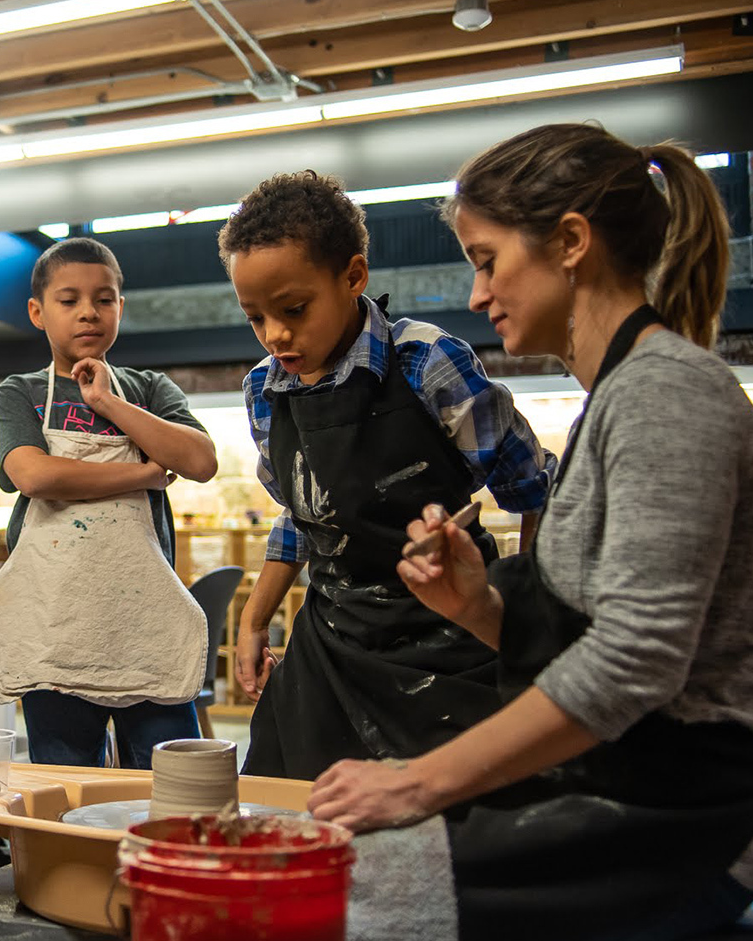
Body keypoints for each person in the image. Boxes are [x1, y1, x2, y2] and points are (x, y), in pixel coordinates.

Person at [308, 124, 753, 941]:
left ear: (571, 243)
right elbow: (602, 639)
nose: (476, 291)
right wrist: (477, 604)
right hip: (626, 785)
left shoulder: (665, 393)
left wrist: (417, 782)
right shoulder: (614, 399)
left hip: (682, 820)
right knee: (326, 863)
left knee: (322, 889)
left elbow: (637, 664)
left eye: (489, 261)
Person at [220, 170, 555, 781]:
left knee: (450, 834)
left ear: (353, 276)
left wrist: (525, 628)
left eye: (293, 309)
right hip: (332, 646)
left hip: (453, 639)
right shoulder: (266, 391)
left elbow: (531, 489)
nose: (275, 335)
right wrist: (252, 619)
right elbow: (306, 516)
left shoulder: (428, 364)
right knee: (289, 815)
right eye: (255, 318)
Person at [0, 237, 218, 768]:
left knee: (168, 787)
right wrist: (144, 472)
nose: (89, 312)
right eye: (69, 300)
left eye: (105, 298)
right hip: (56, 627)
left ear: (121, 306)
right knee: (70, 791)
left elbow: (201, 461)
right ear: (38, 312)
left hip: (145, 626)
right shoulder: (20, 393)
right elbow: (35, 475)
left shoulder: (149, 389)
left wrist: (106, 400)